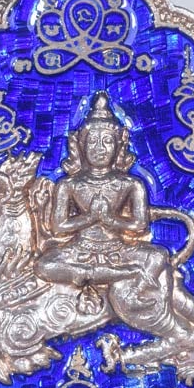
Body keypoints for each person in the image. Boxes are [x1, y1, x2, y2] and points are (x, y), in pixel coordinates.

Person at [34, 92, 168, 314]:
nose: (99, 148)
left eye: (107, 141)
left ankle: (135, 289)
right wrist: (89, 218)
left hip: (118, 248)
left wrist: (109, 219)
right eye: (93, 141)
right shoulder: (69, 184)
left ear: (118, 146)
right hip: (80, 249)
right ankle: (122, 274)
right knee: (43, 265)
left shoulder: (131, 184)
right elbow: (59, 227)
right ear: (81, 146)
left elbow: (139, 225)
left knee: (159, 255)